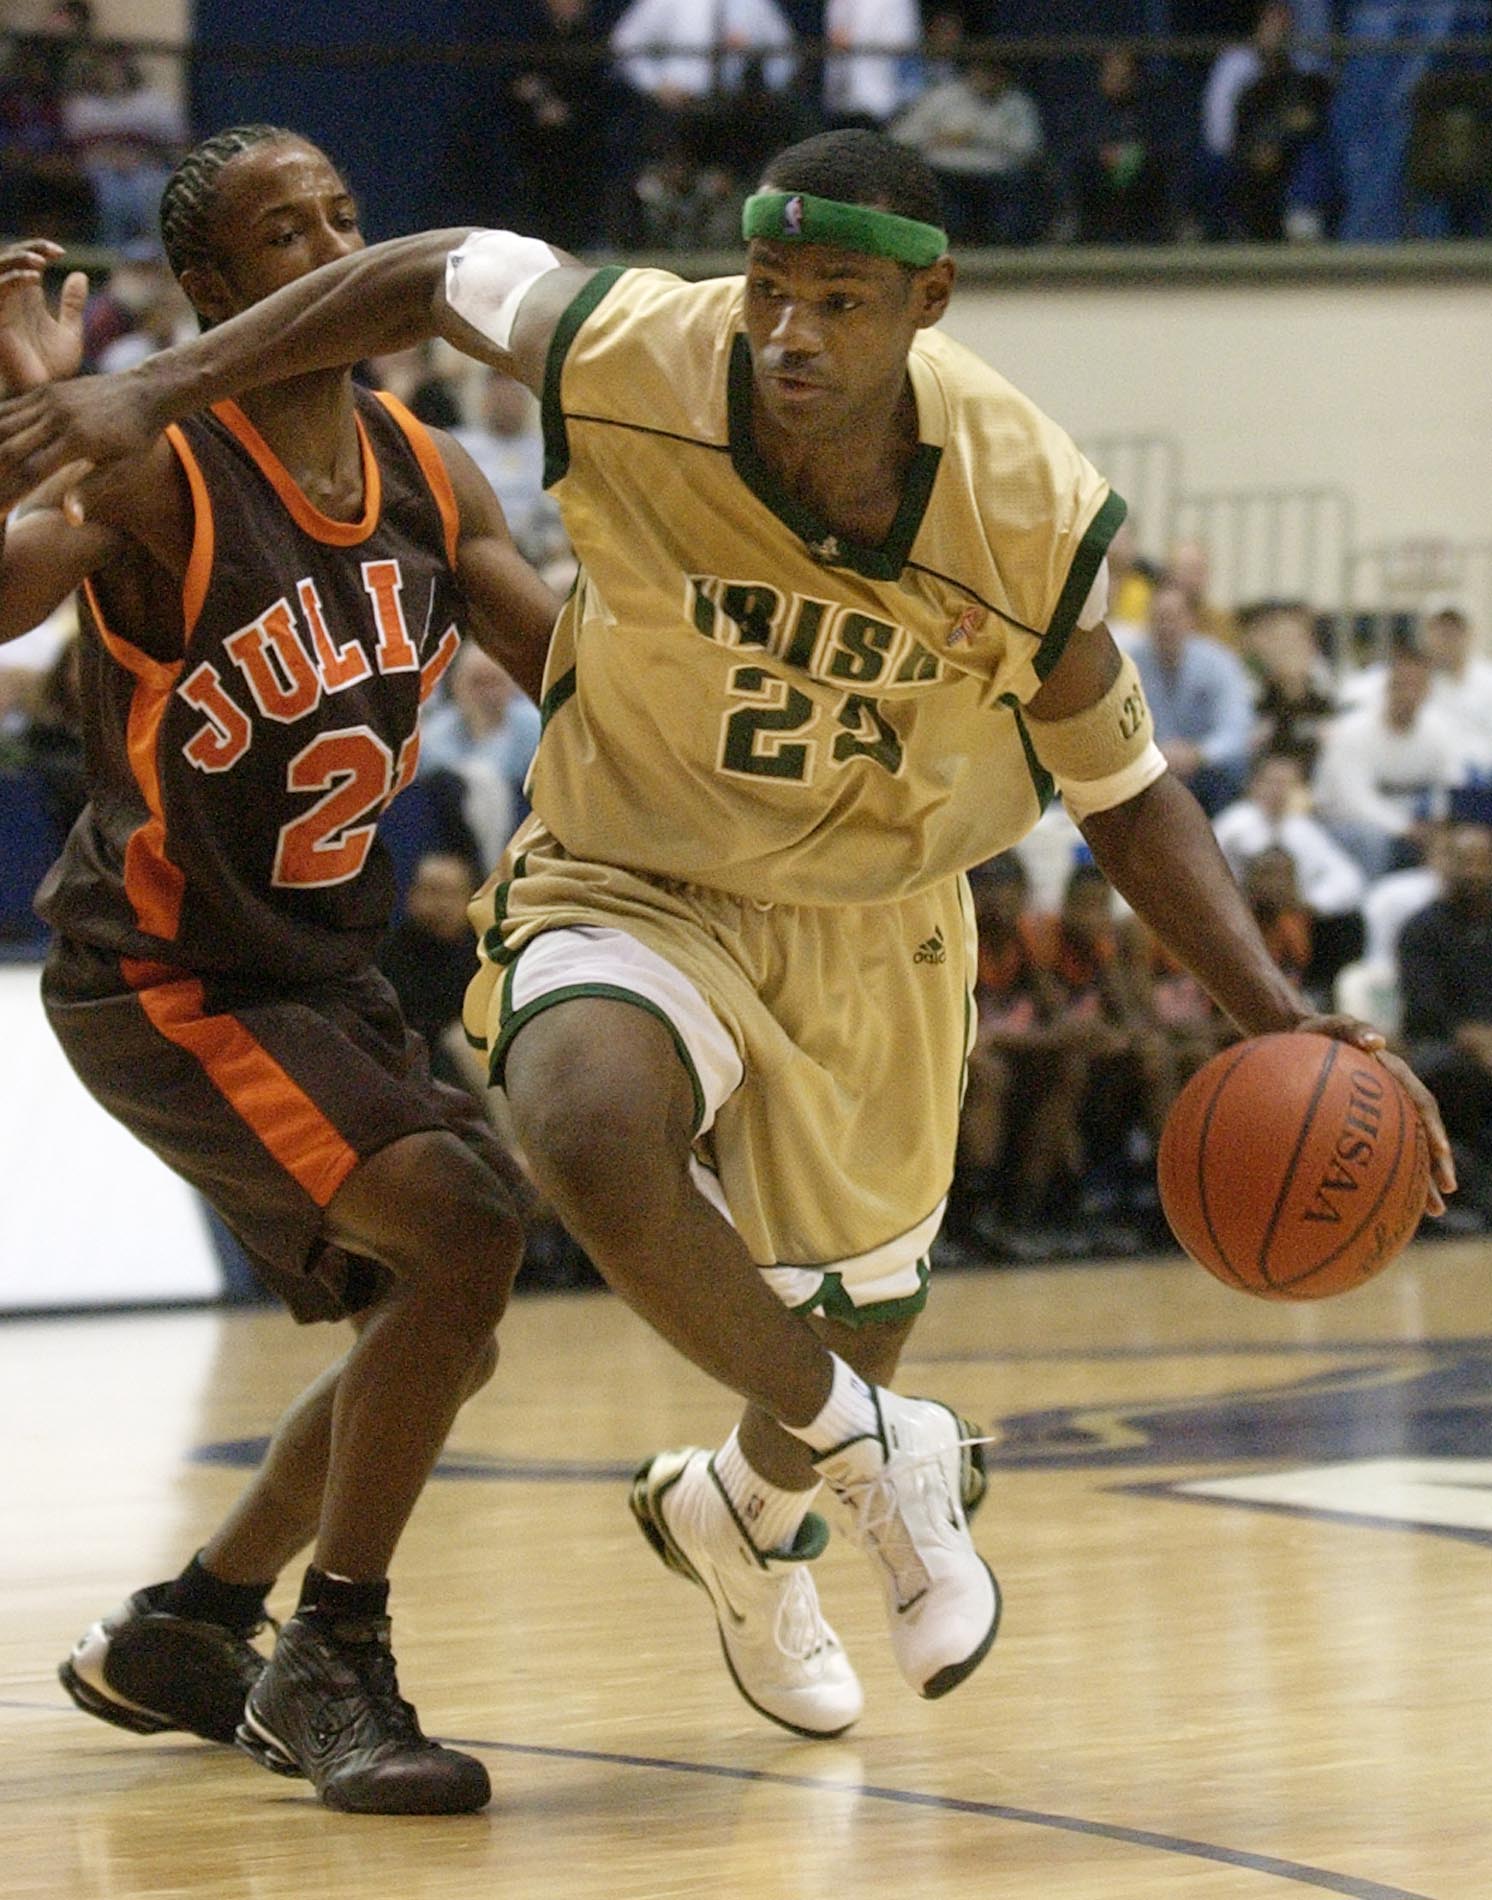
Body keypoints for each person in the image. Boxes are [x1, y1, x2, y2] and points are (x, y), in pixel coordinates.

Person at [0, 127, 1454, 1747]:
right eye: (772, 288)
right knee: (518, 1193)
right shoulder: (583, 363)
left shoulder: (1001, 498)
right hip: (366, 924)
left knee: (601, 1302)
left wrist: (1274, 1017)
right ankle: (375, 1633)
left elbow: (1112, 786)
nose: (791, 331)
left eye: (840, 299)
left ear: (927, 307)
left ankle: (282, 1601)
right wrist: (102, 405)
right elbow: (399, 290)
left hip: (814, 906)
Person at [0, 124, 561, 1814]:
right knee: (464, 1236)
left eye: (345, 211)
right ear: (213, 289)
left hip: (328, 970)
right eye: (278, 231)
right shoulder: (157, 468)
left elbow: (577, 675)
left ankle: (197, 1621)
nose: (329, 244)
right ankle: (333, 1653)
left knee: (444, 1321)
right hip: (169, 973)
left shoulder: (425, 467)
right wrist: (30, 413)